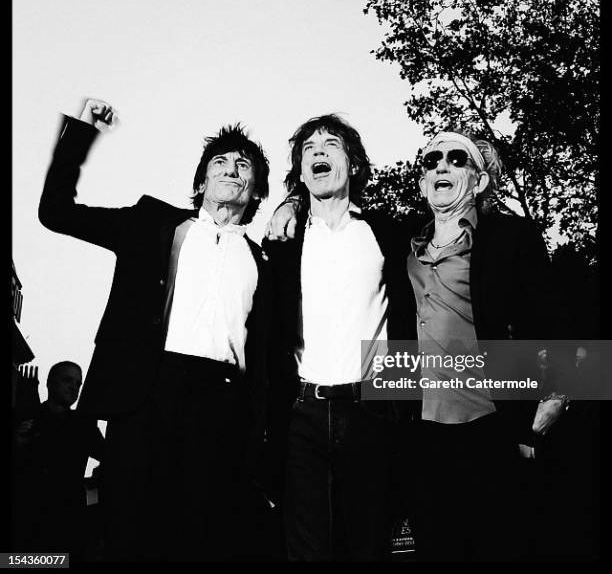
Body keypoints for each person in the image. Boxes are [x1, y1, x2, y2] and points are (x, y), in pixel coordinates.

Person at [268, 129, 568, 561]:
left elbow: (557, 317)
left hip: (493, 424)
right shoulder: (405, 239)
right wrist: (292, 201)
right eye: (431, 161)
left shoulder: (508, 238)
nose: (441, 165)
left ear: (480, 180)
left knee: (504, 543)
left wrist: (556, 397)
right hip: (417, 428)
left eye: (456, 159)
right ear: (423, 183)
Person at [38, 99, 272, 561]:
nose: (229, 169)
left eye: (242, 164)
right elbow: (56, 212)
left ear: (255, 188)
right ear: (201, 181)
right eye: (218, 162)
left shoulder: (264, 260)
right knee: (131, 534)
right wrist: (82, 134)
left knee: (202, 537)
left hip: (224, 405)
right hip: (147, 394)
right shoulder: (150, 223)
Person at [263, 114, 417, 562]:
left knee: (368, 546)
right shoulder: (283, 240)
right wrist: (289, 204)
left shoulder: (385, 232)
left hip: (373, 407)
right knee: (306, 549)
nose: (318, 152)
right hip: (300, 412)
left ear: (353, 164)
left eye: (330, 144)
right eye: (308, 149)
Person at [12, 361, 104, 560]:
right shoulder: (26, 416)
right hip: (26, 521)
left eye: (78, 384)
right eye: (67, 380)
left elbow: (110, 456)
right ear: (49, 383)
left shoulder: (83, 425)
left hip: (66, 523)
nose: (74, 387)